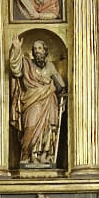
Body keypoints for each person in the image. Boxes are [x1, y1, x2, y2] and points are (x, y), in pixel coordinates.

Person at [8, 36, 67, 167]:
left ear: (45, 51)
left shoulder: (50, 66)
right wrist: (17, 49)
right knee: (31, 126)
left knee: (49, 128)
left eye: (40, 48)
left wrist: (63, 95)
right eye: (35, 49)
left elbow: (60, 83)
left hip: (49, 101)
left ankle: (45, 155)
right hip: (31, 101)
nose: (37, 51)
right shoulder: (27, 64)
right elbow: (15, 69)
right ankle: (29, 156)